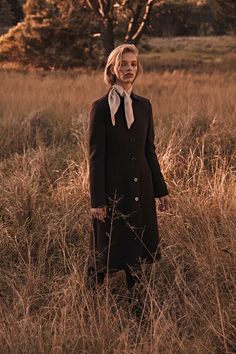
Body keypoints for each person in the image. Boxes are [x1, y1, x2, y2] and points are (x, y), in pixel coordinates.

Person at [87, 43, 170, 290]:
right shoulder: (101, 108)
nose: (129, 69)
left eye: (133, 64)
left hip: (140, 189)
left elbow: (149, 151)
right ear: (113, 69)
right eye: (123, 64)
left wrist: (161, 189)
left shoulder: (144, 106)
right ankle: (89, 304)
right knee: (103, 252)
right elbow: (95, 157)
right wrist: (97, 200)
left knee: (136, 250)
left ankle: (138, 308)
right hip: (113, 191)